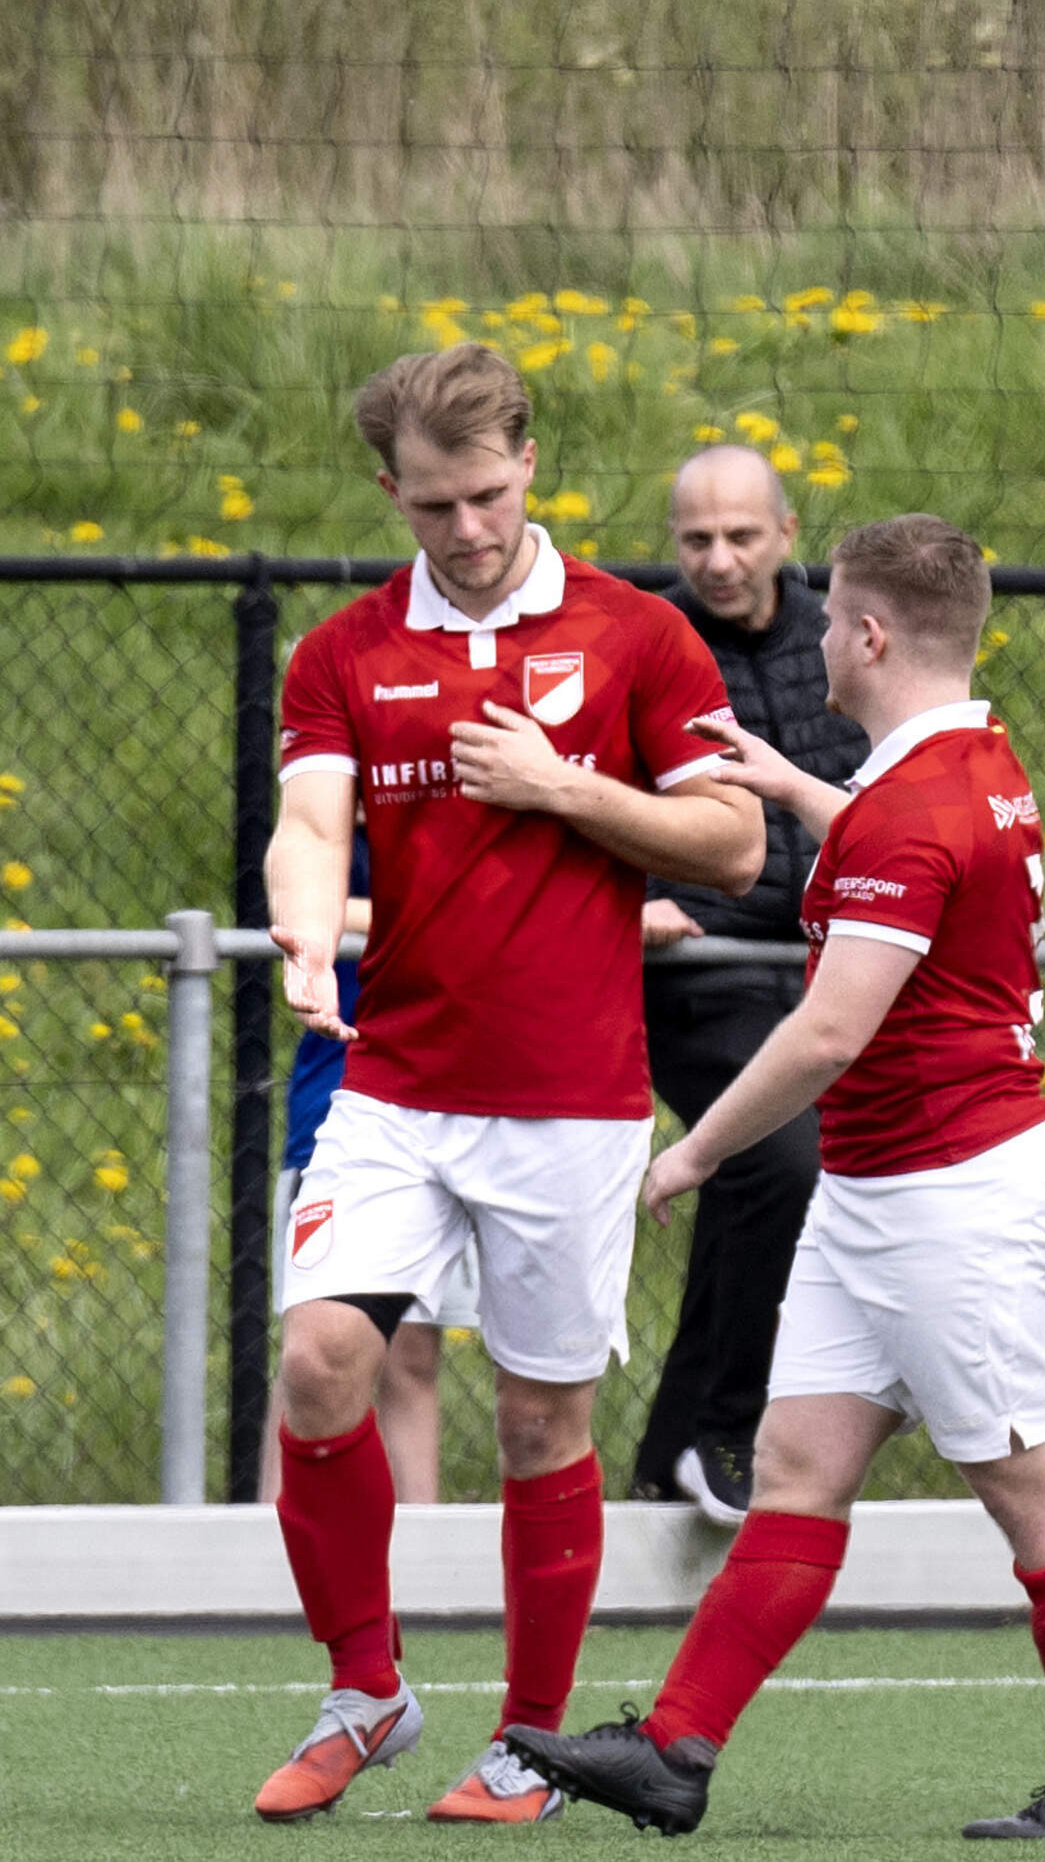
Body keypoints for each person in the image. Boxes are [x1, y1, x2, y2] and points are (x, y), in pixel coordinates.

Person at [501, 514, 1045, 1841]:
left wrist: (689, 1149)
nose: (814, 641)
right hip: (889, 1185)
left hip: (953, 1189)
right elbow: (899, 839)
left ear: (869, 635)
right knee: (800, 1464)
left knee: (1036, 1486)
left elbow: (825, 1028)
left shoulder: (907, 813)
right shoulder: (970, 762)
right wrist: (794, 784)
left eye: (828, 622)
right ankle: (677, 1751)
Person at [253, 343, 763, 1825]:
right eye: (431, 506)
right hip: (397, 1083)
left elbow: (733, 844)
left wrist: (567, 789)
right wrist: (300, 925)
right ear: (390, 493)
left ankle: (529, 1744)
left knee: (541, 1422)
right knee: (319, 1365)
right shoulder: (345, 649)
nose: (465, 530)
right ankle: (369, 1690)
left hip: (572, 1100)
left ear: (529, 460)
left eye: (484, 494)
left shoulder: (640, 635)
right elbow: (307, 818)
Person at [629, 445, 870, 1524]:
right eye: (696, 541)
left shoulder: (846, 641)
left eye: (741, 535)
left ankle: (678, 1450)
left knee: (792, 1178)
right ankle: (729, 1427)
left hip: (825, 962)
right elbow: (580, 790)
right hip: (693, 966)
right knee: (774, 1155)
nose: (720, 560)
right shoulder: (641, 638)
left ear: (786, 529)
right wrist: (630, 900)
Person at [262, 834, 457, 1509]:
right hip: (334, 1119)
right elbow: (303, 903)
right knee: (311, 1356)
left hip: (448, 1111)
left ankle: (422, 1575)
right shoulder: (327, 825)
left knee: (411, 1353)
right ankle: (275, 1572)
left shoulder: (468, 815)